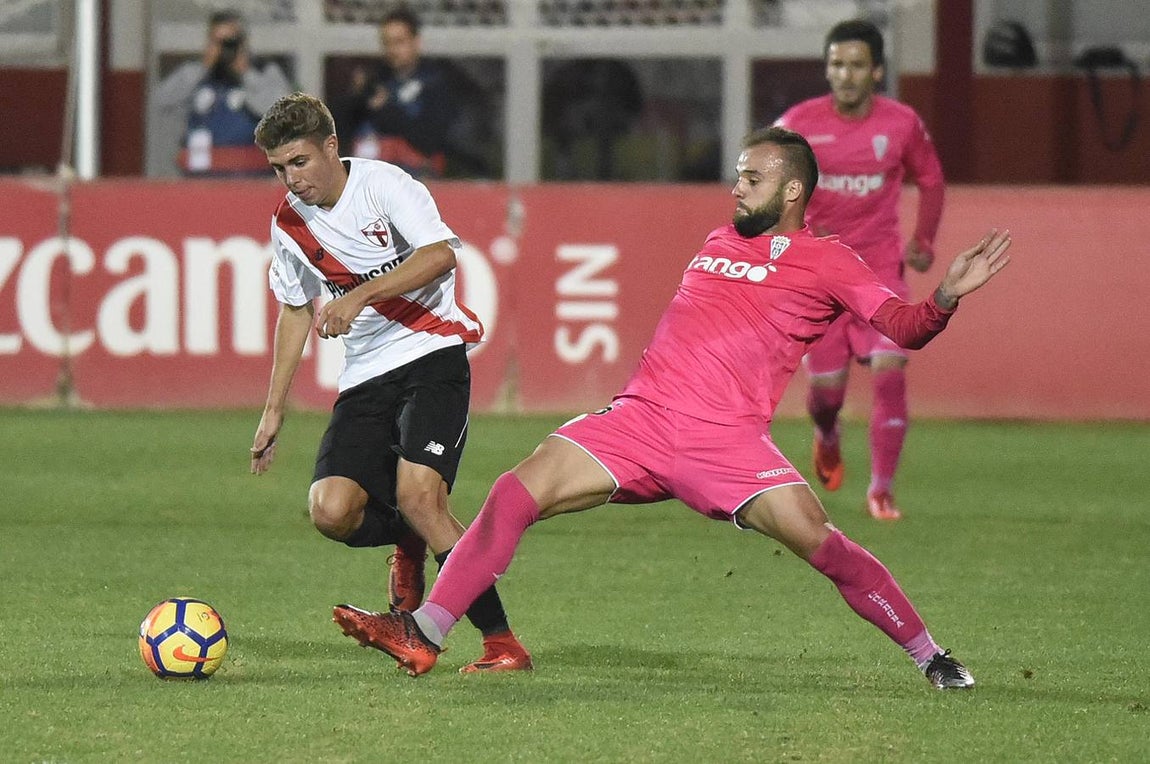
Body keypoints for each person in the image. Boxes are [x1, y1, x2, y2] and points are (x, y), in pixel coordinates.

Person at [346, 126, 1012, 689]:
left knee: (822, 544)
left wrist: (947, 297)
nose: (737, 187)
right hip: (636, 421)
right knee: (515, 491)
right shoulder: (720, 240)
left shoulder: (828, 261)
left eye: (752, 178)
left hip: (726, 442)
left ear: (791, 191)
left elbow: (903, 326)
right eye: (737, 176)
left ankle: (932, 657)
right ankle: (425, 633)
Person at [248, 92, 531, 673]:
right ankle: (408, 539)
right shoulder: (286, 223)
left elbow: (440, 256)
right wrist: (273, 408)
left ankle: (502, 644)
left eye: (298, 162)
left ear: (331, 146)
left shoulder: (385, 186)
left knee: (423, 500)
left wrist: (358, 294)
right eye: (278, 168)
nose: (290, 179)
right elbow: (296, 309)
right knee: (331, 511)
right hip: (365, 376)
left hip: (432, 354)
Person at [774, 19, 946, 521]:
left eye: (854, 65)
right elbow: (763, 176)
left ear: (876, 72)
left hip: (879, 274)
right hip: (818, 279)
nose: (843, 74)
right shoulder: (800, 123)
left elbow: (931, 181)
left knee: (891, 370)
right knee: (826, 396)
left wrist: (924, 241)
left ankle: (881, 489)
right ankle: (826, 432)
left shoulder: (901, 124)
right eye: (835, 64)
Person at [154, 10, 292, 177]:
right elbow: (162, 100)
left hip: (251, 174)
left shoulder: (264, 71)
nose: (225, 49)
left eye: (230, 42)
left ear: (243, 42)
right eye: (217, 42)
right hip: (201, 173)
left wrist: (245, 74)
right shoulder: (195, 73)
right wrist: (204, 68)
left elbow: (282, 112)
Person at [331, 4, 456, 178]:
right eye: (387, 43)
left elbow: (430, 140)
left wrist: (386, 110)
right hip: (368, 174)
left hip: (415, 176)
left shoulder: (435, 84)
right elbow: (341, 123)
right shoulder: (375, 79)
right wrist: (358, 97)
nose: (392, 50)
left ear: (416, 42)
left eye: (399, 42)